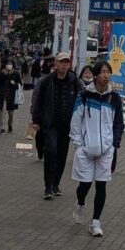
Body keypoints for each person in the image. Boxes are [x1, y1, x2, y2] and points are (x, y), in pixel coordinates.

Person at [70, 61, 124, 237]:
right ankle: (80, 203)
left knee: (101, 186)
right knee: (84, 185)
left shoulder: (114, 98)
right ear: (95, 75)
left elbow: (118, 124)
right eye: (102, 72)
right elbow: (76, 122)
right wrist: (80, 143)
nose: (106, 75)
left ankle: (95, 221)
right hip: (86, 149)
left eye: (108, 72)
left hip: (106, 150)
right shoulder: (84, 96)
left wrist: (114, 144)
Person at [31, 51, 81, 200]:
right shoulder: (46, 81)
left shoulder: (74, 81)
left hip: (67, 125)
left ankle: (55, 184)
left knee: (62, 155)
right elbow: (37, 100)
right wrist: (35, 120)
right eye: (61, 62)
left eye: (66, 62)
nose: (64, 65)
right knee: (51, 152)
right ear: (56, 64)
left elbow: (83, 96)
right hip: (50, 124)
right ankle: (47, 186)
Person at [0, 60, 22, 134]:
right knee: (2, 113)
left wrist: (14, 84)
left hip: (12, 96)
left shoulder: (16, 74)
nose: (9, 65)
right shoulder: (1, 73)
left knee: (11, 114)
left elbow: (19, 85)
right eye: (7, 64)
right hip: (3, 96)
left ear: (13, 65)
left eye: (10, 64)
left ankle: (10, 126)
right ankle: (2, 128)